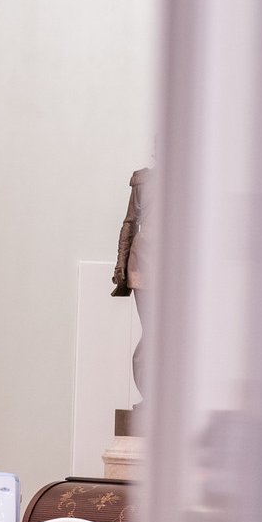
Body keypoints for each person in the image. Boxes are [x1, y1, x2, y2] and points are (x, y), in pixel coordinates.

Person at [112, 165, 149, 404]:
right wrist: (120, 264)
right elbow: (129, 223)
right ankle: (151, 394)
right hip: (144, 262)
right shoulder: (142, 181)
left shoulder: (187, 180)